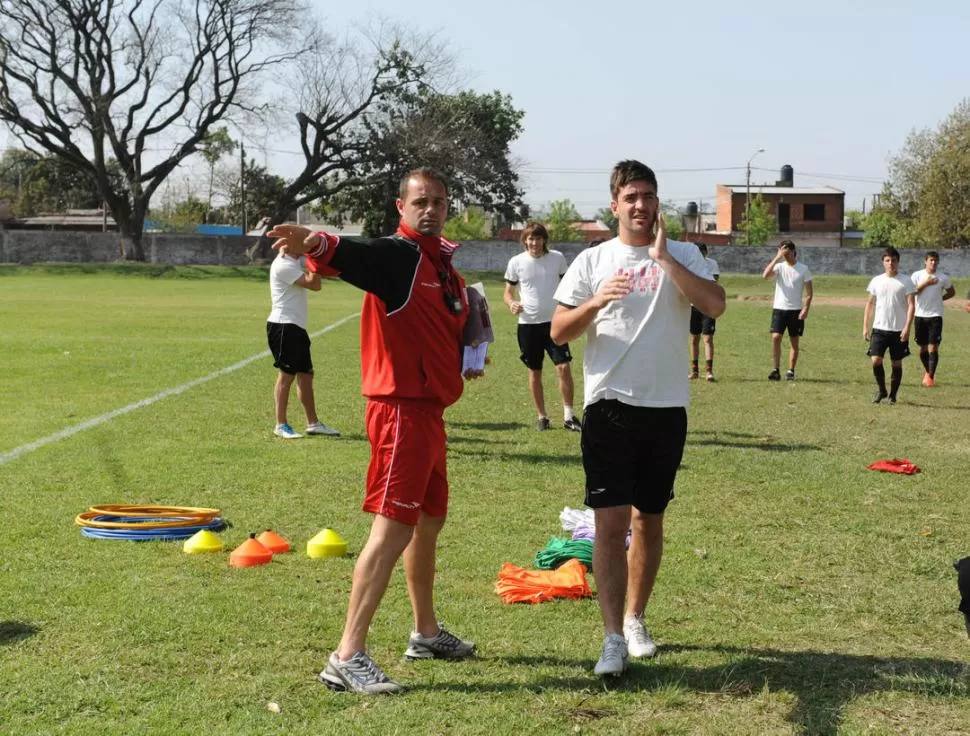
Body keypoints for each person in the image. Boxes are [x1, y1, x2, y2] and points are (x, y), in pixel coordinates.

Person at [268, 168, 478, 695]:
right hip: (401, 411)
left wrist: (468, 346)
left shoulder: (439, 264)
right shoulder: (402, 257)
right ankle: (347, 654)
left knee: (428, 522)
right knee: (391, 532)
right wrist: (316, 240)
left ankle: (425, 633)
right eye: (420, 201)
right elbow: (358, 255)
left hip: (429, 411)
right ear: (400, 207)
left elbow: (446, 320)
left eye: (438, 201)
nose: (429, 209)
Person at [551, 160, 725, 677]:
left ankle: (634, 619)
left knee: (649, 518)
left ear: (657, 203)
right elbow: (559, 331)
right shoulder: (593, 261)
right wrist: (597, 302)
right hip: (608, 406)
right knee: (609, 525)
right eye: (631, 197)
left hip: (666, 406)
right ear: (615, 205)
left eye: (648, 196)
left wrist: (666, 261)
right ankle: (610, 639)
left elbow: (714, 306)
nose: (641, 205)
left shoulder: (686, 254)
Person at [503, 222, 581, 431]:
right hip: (528, 326)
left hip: (555, 323)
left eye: (538, 238)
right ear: (524, 241)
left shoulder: (557, 259)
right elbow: (508, 292)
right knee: (534, 372)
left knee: (563, 367)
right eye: (530, 239)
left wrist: (570, 310)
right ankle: (542, 417)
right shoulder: (516, 262)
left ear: (544, 240)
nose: (534, 243)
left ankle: (569, 416)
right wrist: (511, 303)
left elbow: (569, 287)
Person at [266, 238, 341, 439]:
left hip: (295, 327)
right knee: (286, 375)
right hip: (283, 326)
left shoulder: (291, 261)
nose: (307, 246)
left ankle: (313, 423)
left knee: (306, 375)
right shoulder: (283, 264)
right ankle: (280, 425)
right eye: (303, 242)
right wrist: (314, 261)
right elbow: (314, 284)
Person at [863, 246, 915, 405]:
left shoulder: (906, 281)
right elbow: (870, 303)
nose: (890, 263)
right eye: (887, 260)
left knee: (896, 363)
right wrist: (865, 326)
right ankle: (882, 390)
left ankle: (892, 395)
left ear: (898, 262)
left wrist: (907, 327)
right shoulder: (876, 280)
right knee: (875, 360)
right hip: (879, 328)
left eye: (893, 260)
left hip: (898, 330)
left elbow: (911, 305)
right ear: (883, 262)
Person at [761, 239, 813, 381]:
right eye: (782, 252)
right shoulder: (779, 267)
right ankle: (775, 369)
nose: (785, 255)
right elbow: (765, 276)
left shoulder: (803, 269)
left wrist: (806, 309)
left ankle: (790, 370)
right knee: (776, 337)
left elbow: (809, 293)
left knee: (794, 341)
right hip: (779, 308)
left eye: (787, 252)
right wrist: (777, 257)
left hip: (795, 310)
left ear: (793, 251)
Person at [911, 251, 955, 387]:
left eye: (936, 260)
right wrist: (927, 283)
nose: (933, 263)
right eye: (931, 260)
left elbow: (952, 292)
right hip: (919, 316)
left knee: (933, 348)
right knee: (923, 349)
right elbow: (912, 291)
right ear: (925, 261)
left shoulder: (943, 278)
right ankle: (927, 371)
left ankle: (930, 377)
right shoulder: (917, 275)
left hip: (935, 316)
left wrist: (940, 299)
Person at [688, 243, 720, 382]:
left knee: (707, 338)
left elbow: (713, 281)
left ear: (706, 253)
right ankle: (694, 370)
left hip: (708, 305)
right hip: (693, 305)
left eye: (702, 252)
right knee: (694, 338)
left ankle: (709, 371)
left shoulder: (712, 264)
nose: (700, 255)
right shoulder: (689, 264)